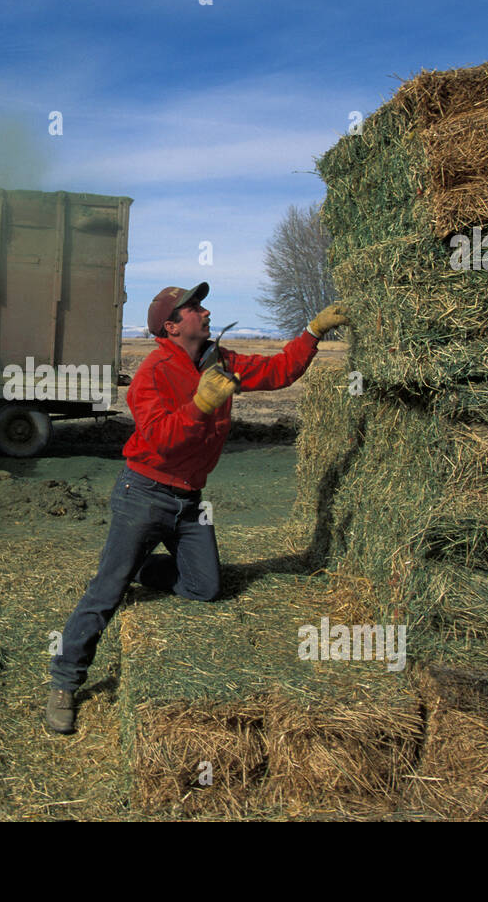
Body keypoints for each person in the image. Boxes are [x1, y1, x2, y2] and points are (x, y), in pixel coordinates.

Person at [44, 282, 349, 734]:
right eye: (193, 308)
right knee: (107, 589)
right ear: (171, 325)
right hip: (143, 493)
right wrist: (201, 405)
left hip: (189, 500)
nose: (205, 312)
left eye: (203, 306)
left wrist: (312, 332)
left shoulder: (218, 360)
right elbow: (161, 439)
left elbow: (277, 372)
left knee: (205, 587)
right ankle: (65, 682)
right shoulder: (151, 374)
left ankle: (145, 570)